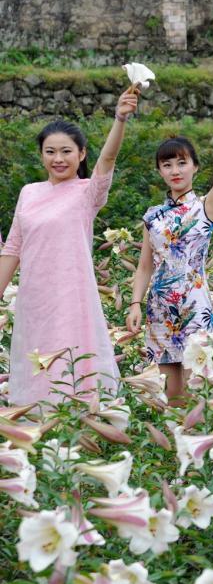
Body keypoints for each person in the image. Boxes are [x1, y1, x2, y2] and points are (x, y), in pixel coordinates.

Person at [0, 88, 139, 405]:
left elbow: (109, 159)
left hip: (71, 298)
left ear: (82, 154)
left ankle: (79, 432)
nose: (58, 159)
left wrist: (119, 119)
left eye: (66, 151)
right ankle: (39, 438)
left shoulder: (87, 192)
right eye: (50, 152)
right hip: (34, 300)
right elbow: (12, 249)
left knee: (72, 367)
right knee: (37, 368)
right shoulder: (29, 192)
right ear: (41, 156)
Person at [126, 91, 213, 405]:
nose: (175, 170)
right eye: (167, 164)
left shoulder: (205, 208)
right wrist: (134, 303)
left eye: (182, 163)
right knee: (169, 395)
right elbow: (145, 266)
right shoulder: (153, 216)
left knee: (197, 387)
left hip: (194, 306)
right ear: (159, 171)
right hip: (159, 307)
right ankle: (175, 449)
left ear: (195, 167)